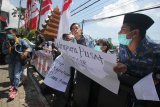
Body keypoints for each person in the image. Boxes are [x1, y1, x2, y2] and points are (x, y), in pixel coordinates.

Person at [113, 13, 160, 106]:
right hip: (127, 93)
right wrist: (121, 66)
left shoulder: (156, 51)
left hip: (149, 98)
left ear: (135, 33)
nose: (119, 33)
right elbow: (122, 63)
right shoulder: (123, 47)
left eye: (123, 30)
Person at [2, 28, 32, 99]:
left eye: (10, 33)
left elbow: (29, 48)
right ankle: (12, 85)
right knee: (11, 75)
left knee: (16, 75)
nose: (8, 35)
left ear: (14, 34)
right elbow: (3, 51)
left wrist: (25, 52)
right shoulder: (5, 42)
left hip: (19, 60)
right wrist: (8, 50)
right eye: (7, 34)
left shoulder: (21, 41)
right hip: (10, 61)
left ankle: (15, 90)